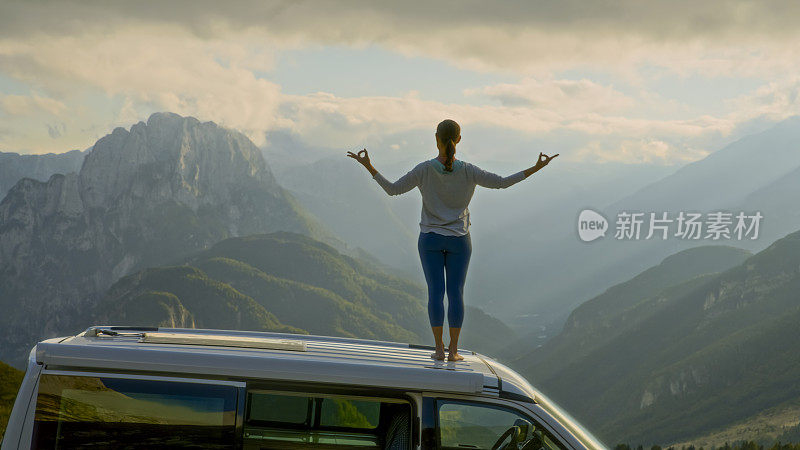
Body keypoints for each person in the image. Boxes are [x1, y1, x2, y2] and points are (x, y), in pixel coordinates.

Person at [347, 119, 557, 361]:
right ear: (458, 139)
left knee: (435, 293)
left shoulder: (424, 169)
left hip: (430, 240)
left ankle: (438, 350)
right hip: (459, 240)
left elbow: (393, 189)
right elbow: (502, 183)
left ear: (436, 137)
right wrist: (536, 167)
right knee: (456, 293)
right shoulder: (469, 171)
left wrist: (369, 166)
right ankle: (454, 351)